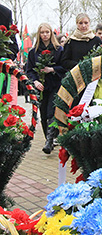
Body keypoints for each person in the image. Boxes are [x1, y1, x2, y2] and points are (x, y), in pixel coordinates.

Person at [26, 23, 63, 154]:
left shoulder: (59, 50)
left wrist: (52, 69)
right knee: (42, 113)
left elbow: (63, 67)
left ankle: (50, 140)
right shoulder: (33, 52)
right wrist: (35, 81)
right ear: (39, 34)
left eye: (47, 32)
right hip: (41, 87)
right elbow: (29, 70)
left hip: (55, 85)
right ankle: (48, 138)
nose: (45, 35)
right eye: (42, 32)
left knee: (51, 112)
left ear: (51, 33)